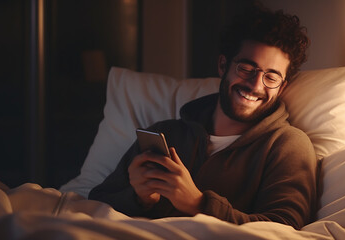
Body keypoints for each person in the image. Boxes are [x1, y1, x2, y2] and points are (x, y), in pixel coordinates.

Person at [89, 5, 317, 230]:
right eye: (246, 68)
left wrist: (198, 204)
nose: (256, 85)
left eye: (271, 77)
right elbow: (95, 203)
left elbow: (286, 227)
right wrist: (140, 198)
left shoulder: (287, 145)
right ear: (222, 65)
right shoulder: (165, 133)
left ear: (282, 86)